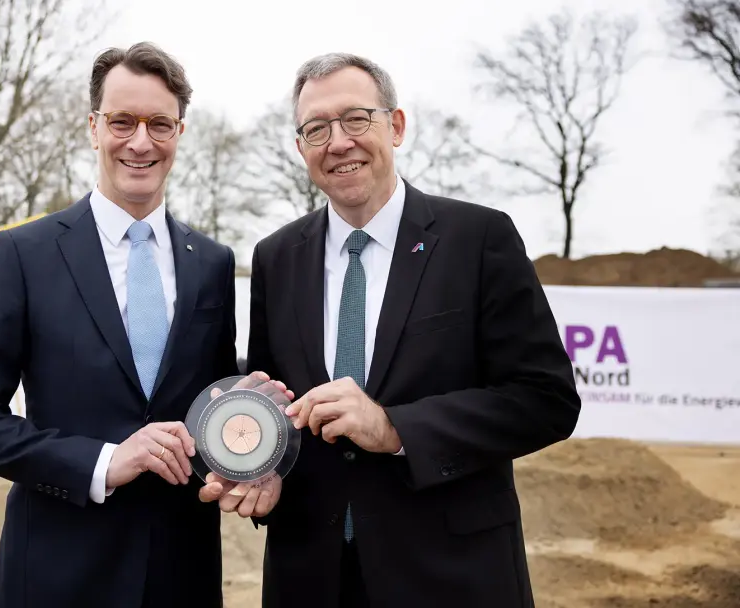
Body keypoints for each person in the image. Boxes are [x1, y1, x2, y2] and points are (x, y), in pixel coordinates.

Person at [201, 53, 581, 607]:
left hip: (450, 575)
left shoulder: (478, 239)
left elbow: (546, 400)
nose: (338, 142)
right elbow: (279, 402)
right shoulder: (275, 258)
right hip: (310, 576)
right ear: (301, 146)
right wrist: (266, 468)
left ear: (395, 126)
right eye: (316, 129)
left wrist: (394, 428)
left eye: (356, 119)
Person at [0, 41, 261, 608]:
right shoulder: (24, 253)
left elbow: (205, 395)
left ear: (180, 133)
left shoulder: (212, 262)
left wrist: (250, 409)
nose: (141, 141)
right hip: (58, 574)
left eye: (160, 123)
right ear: (93, 127)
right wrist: (104, 462)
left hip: (180, 574)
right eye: (122, 121)